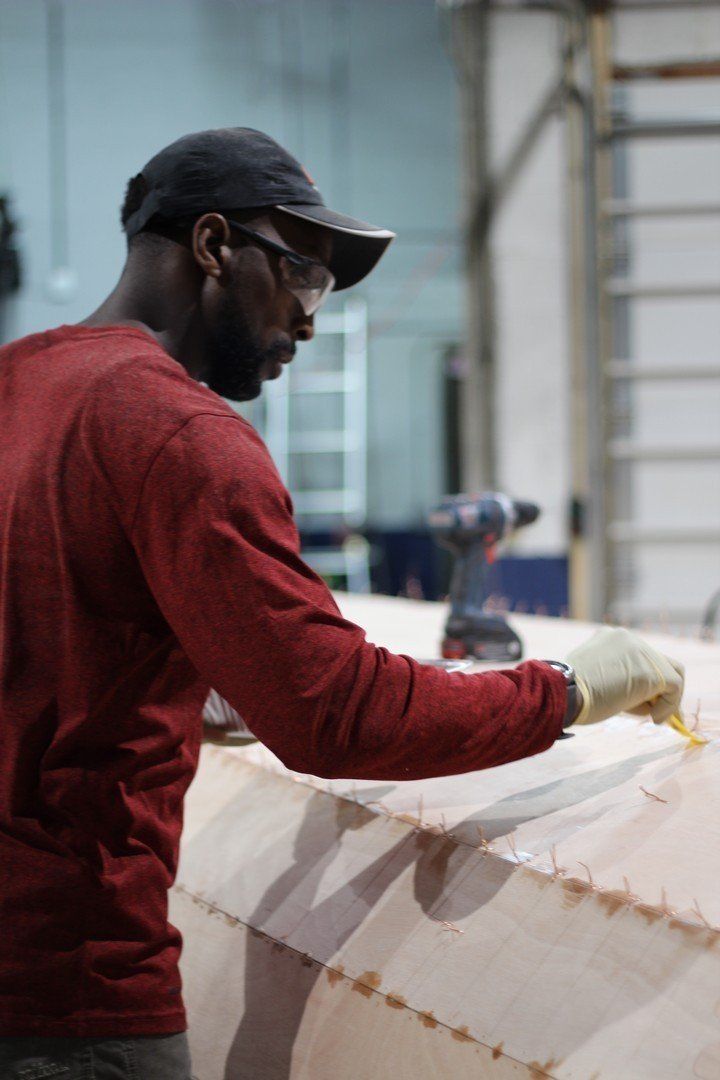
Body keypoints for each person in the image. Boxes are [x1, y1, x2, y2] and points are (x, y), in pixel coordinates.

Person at [0, 128, 685, 1079]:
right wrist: (567, 689)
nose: (310, 323)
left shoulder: (20, 382)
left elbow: (43, 623)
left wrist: (175, 691)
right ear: (212, 247)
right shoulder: (180, 435)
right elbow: (336, 716)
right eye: (304, 279)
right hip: (66, 994)